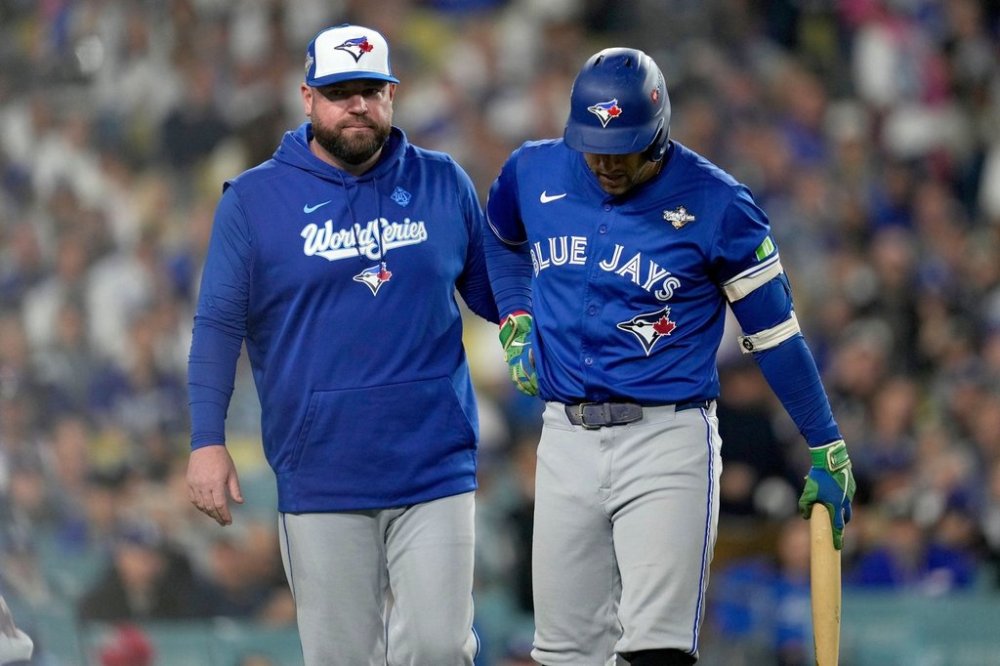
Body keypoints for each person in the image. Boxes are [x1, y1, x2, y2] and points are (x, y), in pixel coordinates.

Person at [483, 47, 856, 665]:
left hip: (666, 439)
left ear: (657, 133)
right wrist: (516, 316)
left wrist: (825, 442)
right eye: (593, 145)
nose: (604, 162)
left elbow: (776, 334)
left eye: (621, 147)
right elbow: (500, 240)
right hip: (564, 437)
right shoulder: (533, 171)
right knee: (563, 654)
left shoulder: (720, 204)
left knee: (656, 651)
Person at [185, 23, 497, 665]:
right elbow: (218, 326)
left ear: (391, 96)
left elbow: (497, 295)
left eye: (370, 90)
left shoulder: (444, 183)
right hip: (322, 471)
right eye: (339, 91)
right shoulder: (253, 200)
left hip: (433, 463)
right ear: (307, 98)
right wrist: (206, 441)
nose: (356, 105)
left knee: (441, 650)